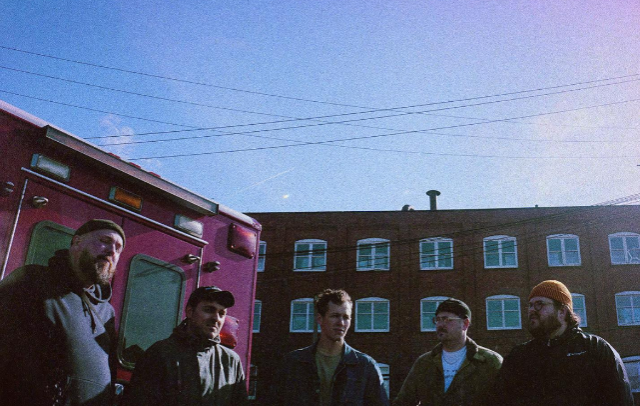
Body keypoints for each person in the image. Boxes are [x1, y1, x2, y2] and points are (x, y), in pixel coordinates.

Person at [0, 219, 126, 406]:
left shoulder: (107, 312)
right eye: (105, 241)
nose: (112, 251)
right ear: (76, 242)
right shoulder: (31, 280)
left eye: (118, 248)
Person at [489, 280, 635, 406]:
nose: (532, 310)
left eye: (539, 304)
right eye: (530, 305)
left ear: (562, 312)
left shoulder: (595, 349)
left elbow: (620, 400)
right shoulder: (519, 356)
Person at [125, 286, 249, 406]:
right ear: (190, 312)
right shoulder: (159, 353)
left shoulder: (231, 361)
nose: (216, 318)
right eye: (209, 310)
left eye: (221, 313)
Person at [272, 288, 389, 406]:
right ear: (320, 319)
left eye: (346, 317)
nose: (341, 323)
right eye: (335, 316)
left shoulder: (365, 366)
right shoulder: (293, 363)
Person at [393, 298, 503, 406]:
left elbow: (504, 400)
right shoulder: (424, 363)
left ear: (465, 324)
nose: (440, 324)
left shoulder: (489, 361)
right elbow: (403, 402)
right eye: (438, 320)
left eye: (447, 319)